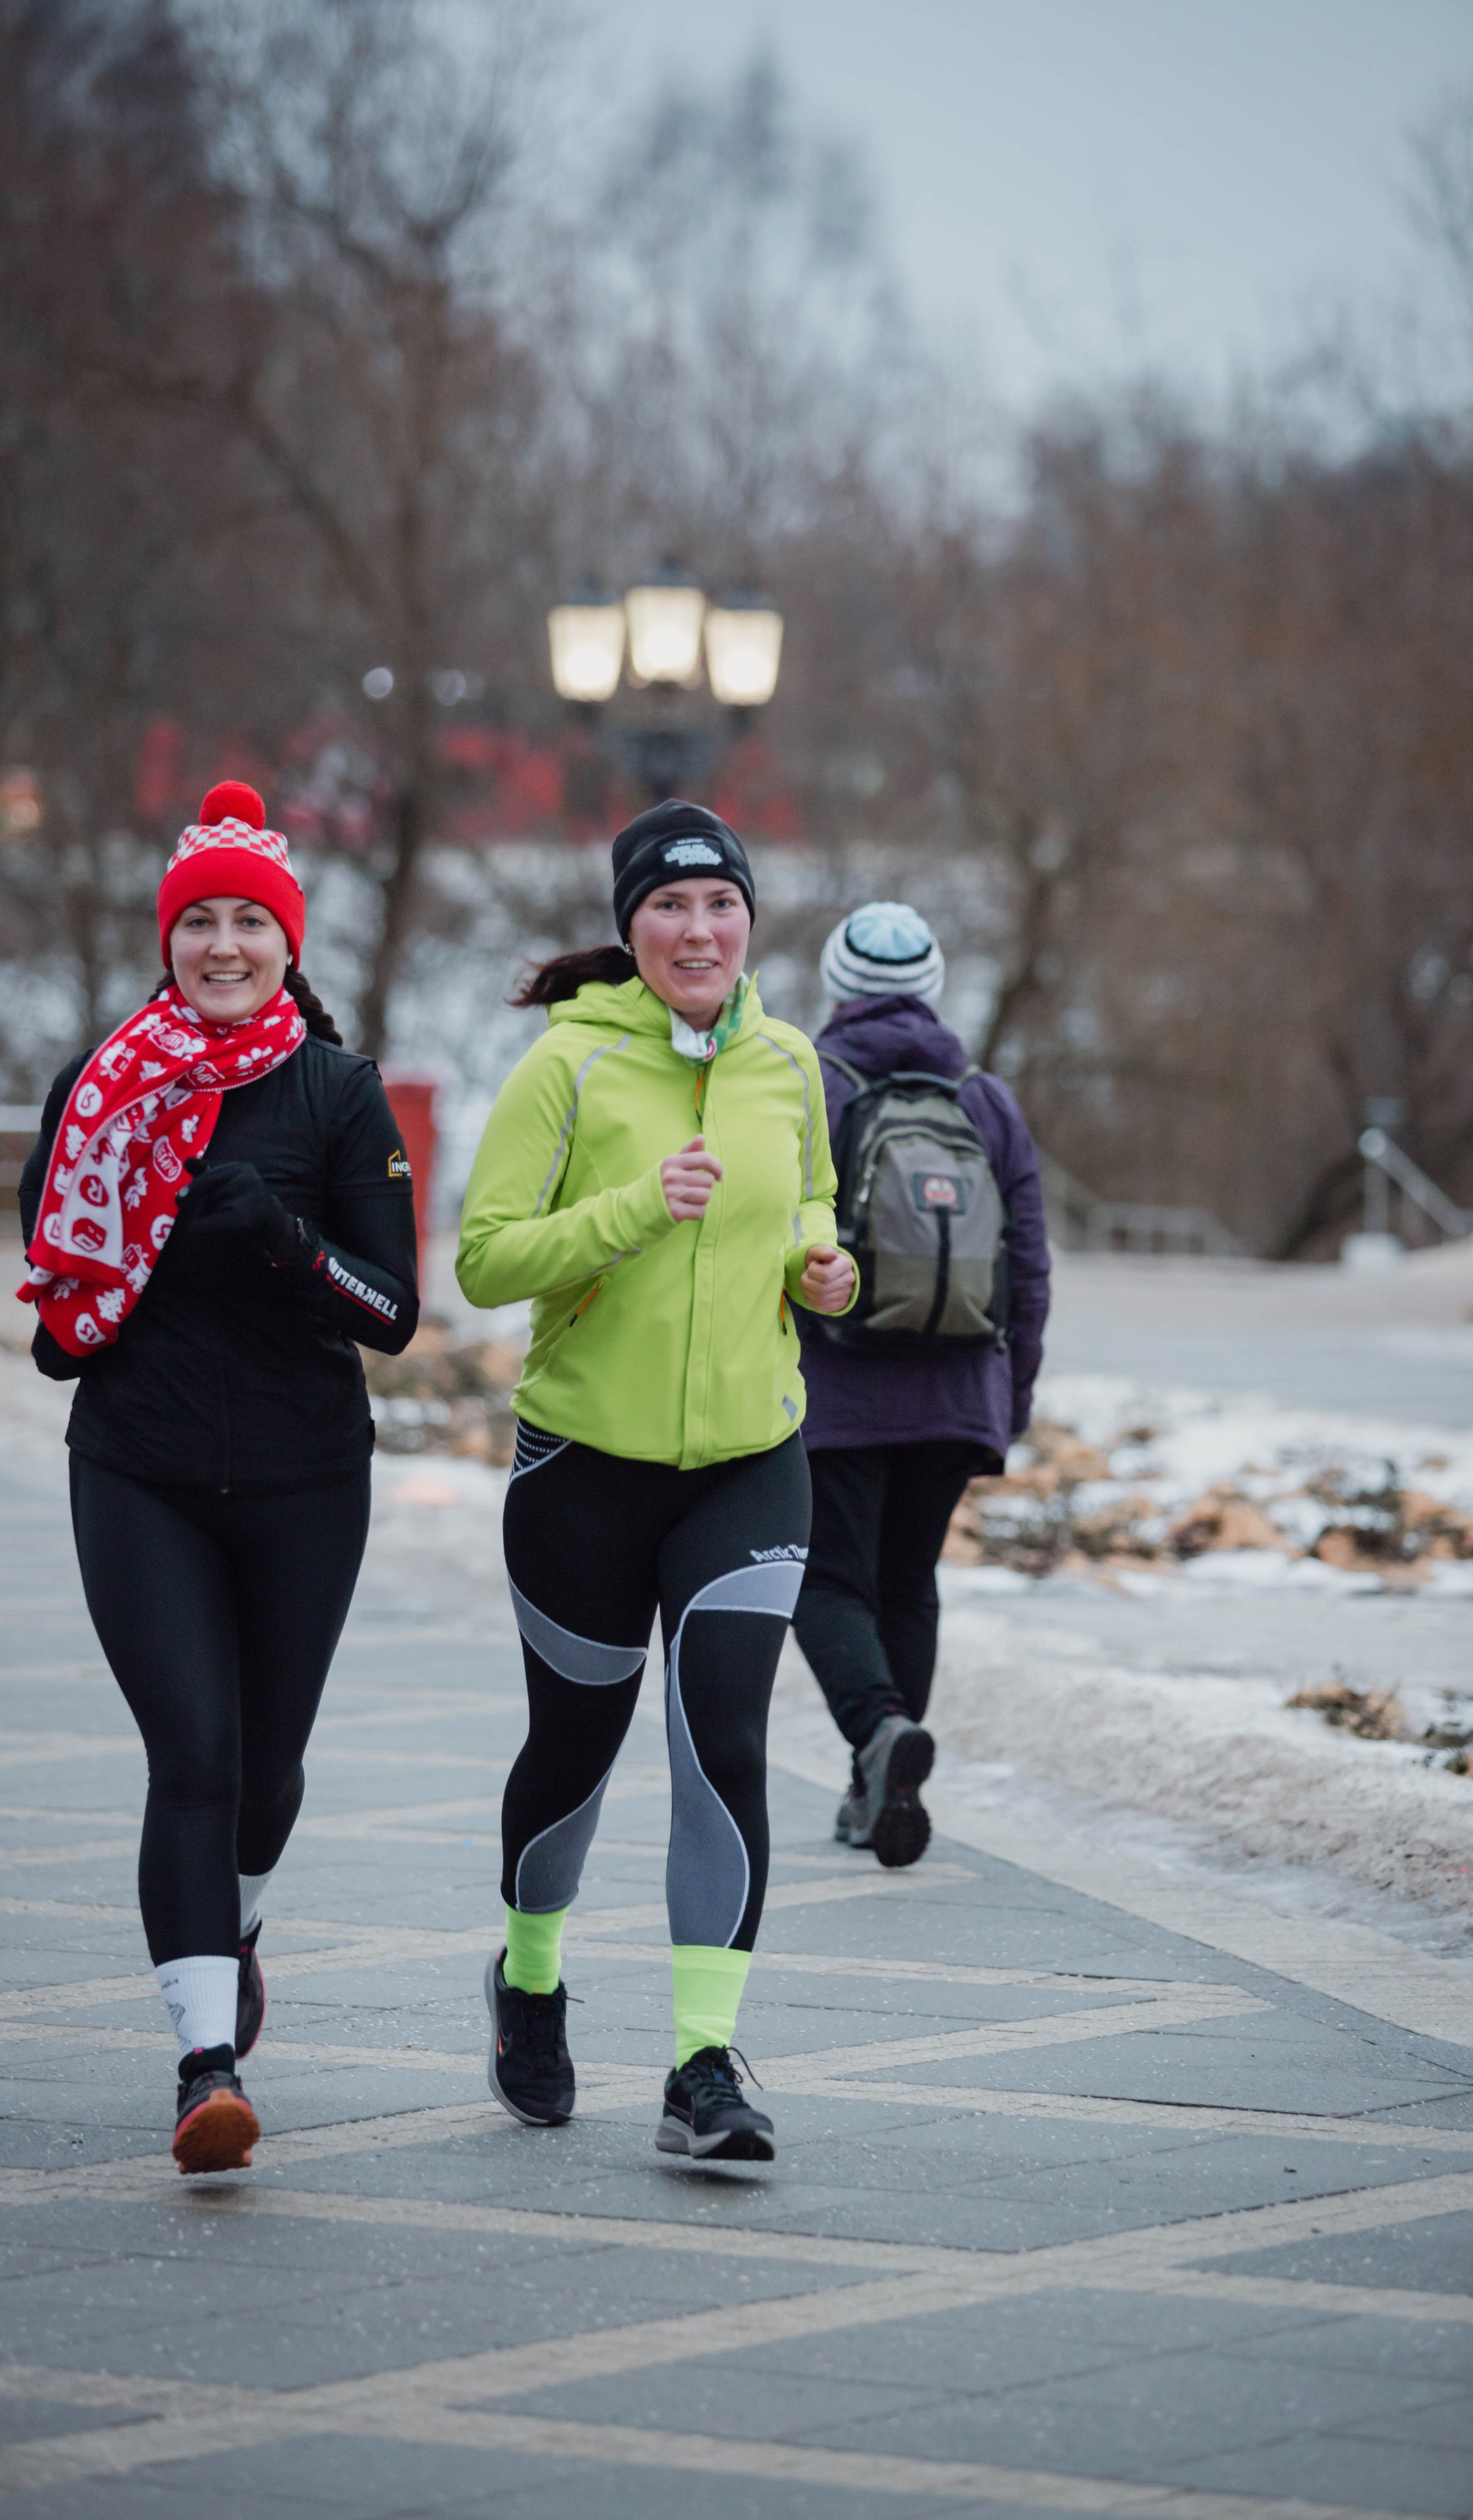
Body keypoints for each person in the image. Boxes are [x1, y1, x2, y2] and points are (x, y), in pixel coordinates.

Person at [18, 782, 417, 2175]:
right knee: (191, 1755)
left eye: (253, 920)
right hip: (143, 1471)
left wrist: (287, 1247)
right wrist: (110, 1279)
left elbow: (391, 1312)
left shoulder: (335, 1089)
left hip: (309, 1480)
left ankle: (234, 1922)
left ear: (287, 941)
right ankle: (206, 2064)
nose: (226, 946)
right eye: (202, 923)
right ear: (168, 939)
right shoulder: (97, 1089)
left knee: (266, 1769)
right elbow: (60, 1328)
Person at [457, 799, 856, 2164]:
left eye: (721, 905)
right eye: (671, 908)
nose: (700, 929)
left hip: (749, 1459)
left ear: (750, 919)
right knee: (574, 1753)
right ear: (630, 930)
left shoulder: (790, 1065)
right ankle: (526, 1976)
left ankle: (702, 2064)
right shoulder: (565, 1069)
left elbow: (808, 1198)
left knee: (722, 1746)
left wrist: (823, 1257)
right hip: (583, 1467)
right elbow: (486, 1260)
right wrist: (635, 1212)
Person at [792, 902, 1050, 1868]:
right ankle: (880, 1779)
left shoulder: (811, 1082)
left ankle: (876, 1736)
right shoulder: (986, 1099)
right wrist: (1007, 1400)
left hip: (842, 1385)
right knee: (909, 1581)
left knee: (827, 1578)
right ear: (936, 988)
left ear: (836, 986)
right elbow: (1030, 1263)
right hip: (956, 1393)